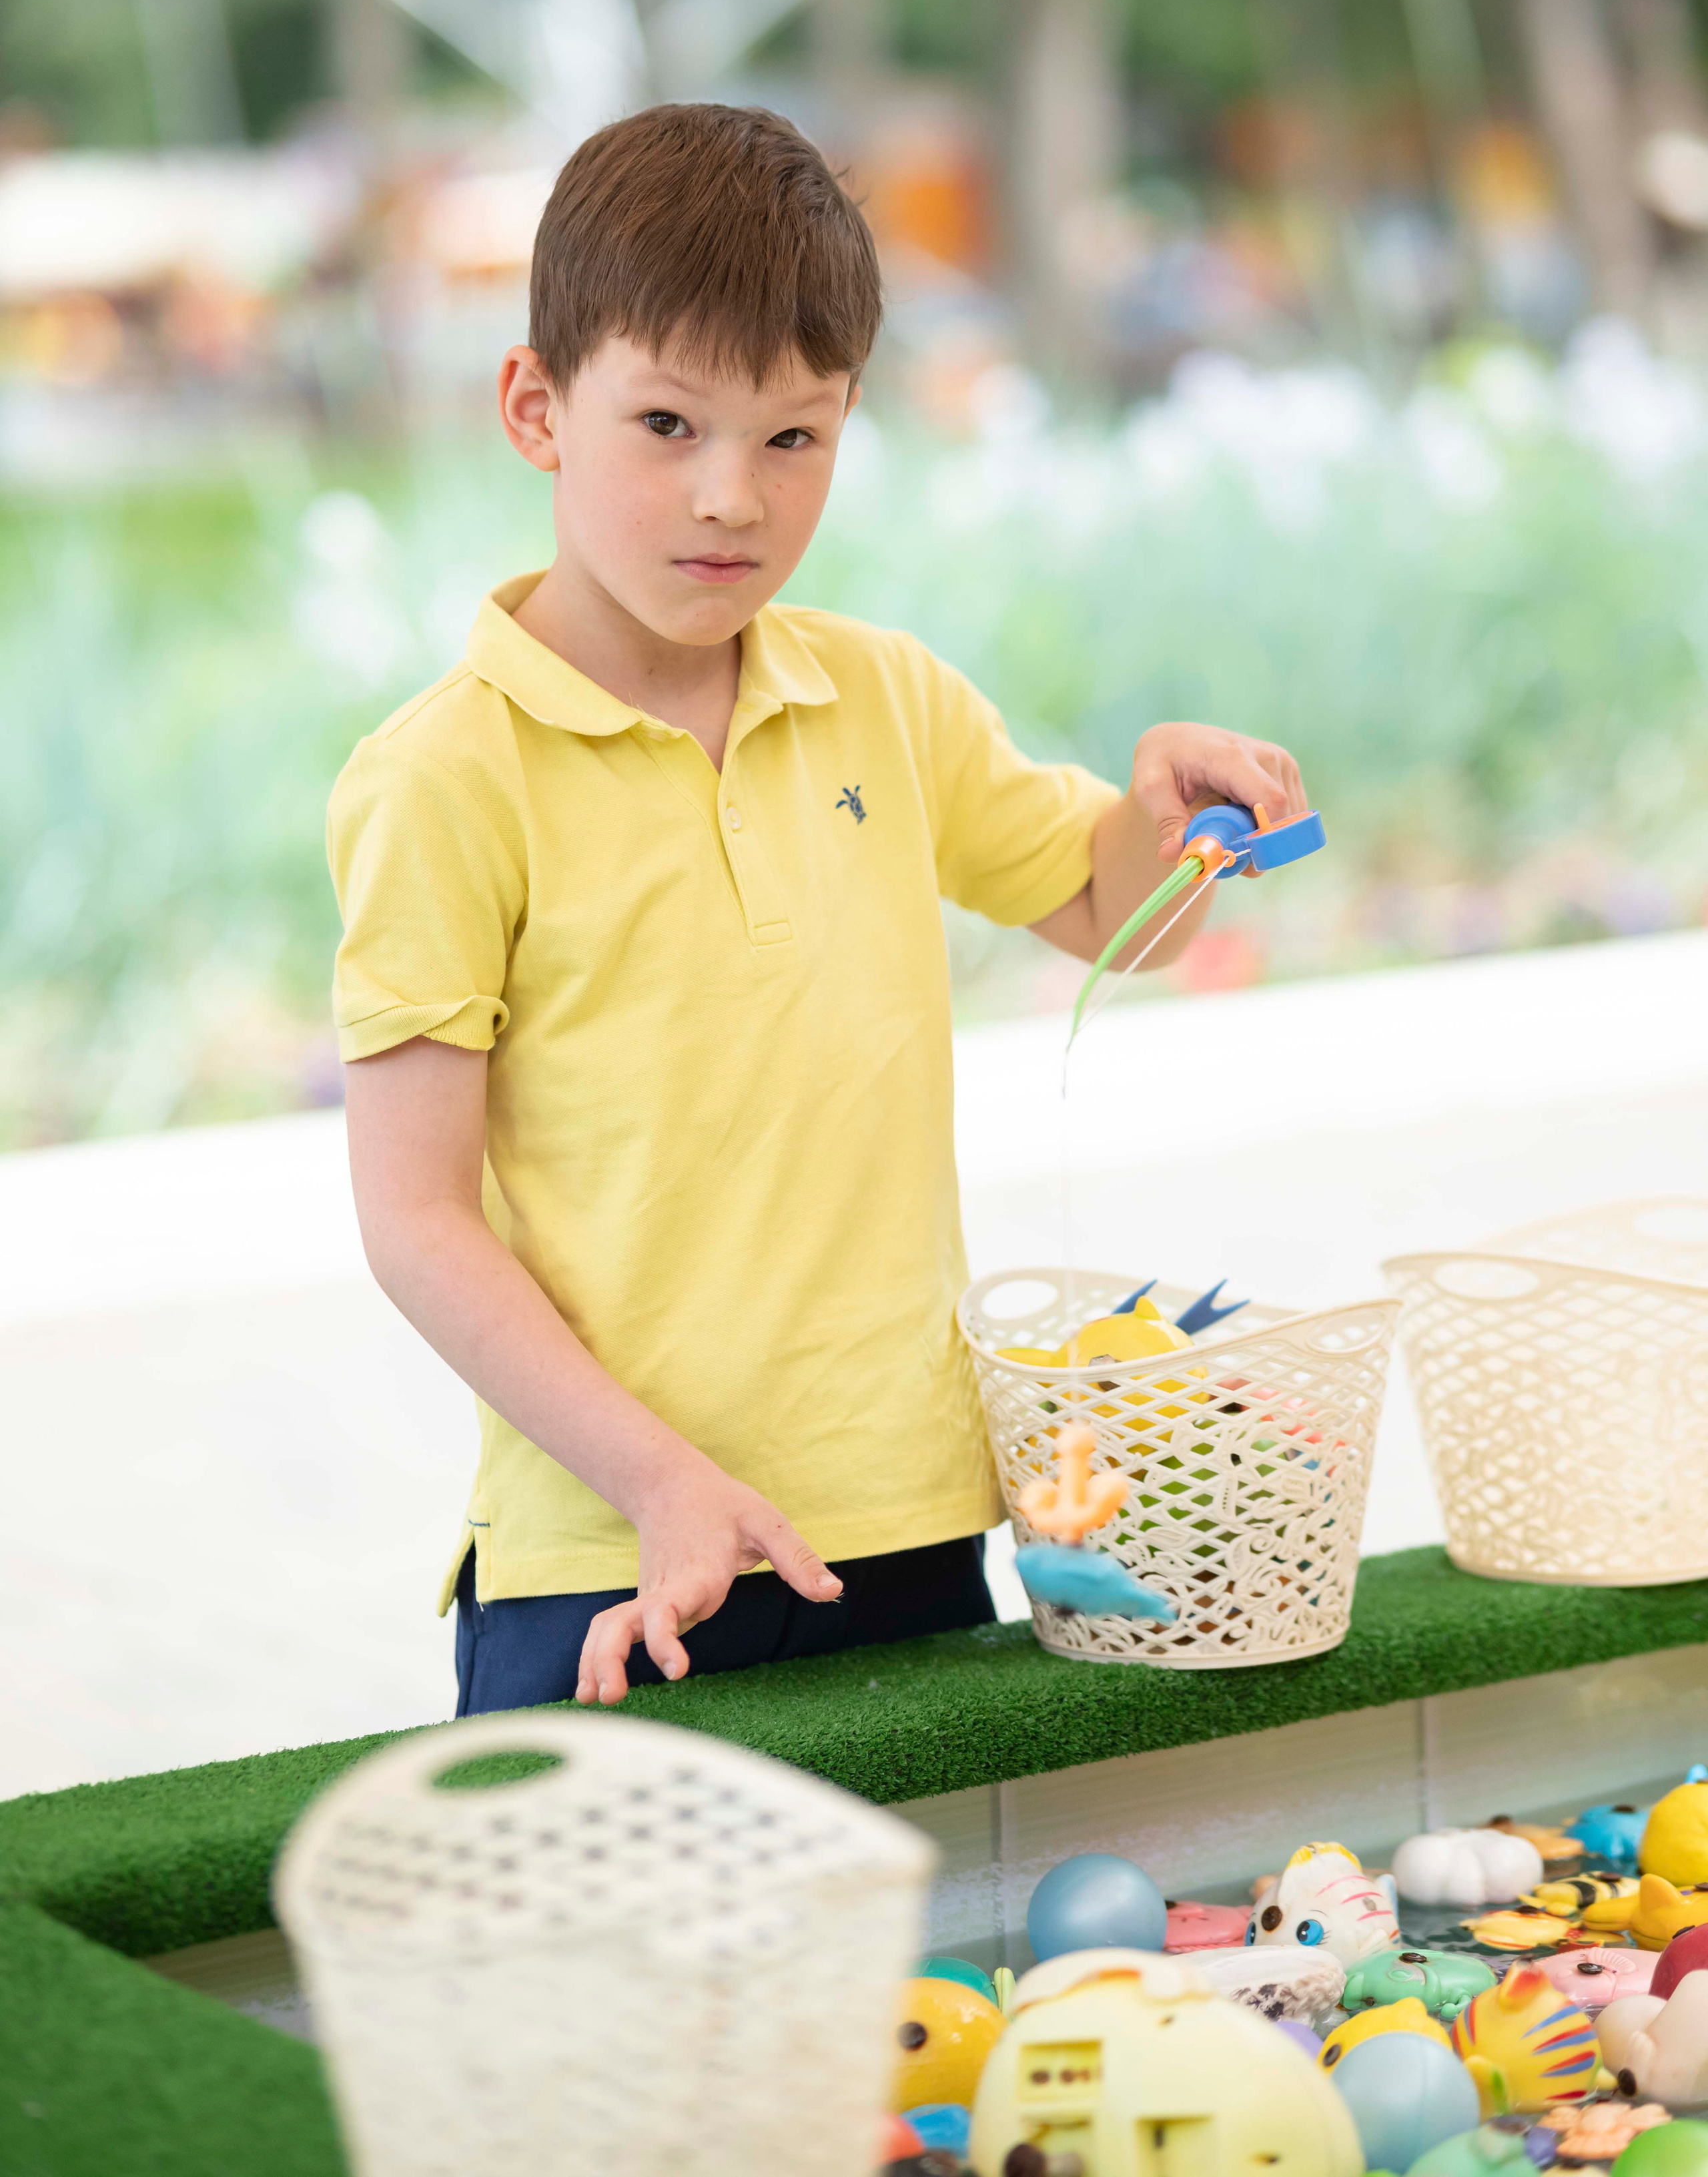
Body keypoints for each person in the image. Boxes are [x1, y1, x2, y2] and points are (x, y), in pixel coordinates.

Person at [328, 102, 1306, 1718]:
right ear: (534, 405)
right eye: (666, 426)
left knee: (932, 1981)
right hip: (609, 1563)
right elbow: (414, 1219)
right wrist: (657, 1485)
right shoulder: (442, 777)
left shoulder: (882, 697)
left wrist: (1165, 822)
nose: (731, 499)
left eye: (794, 439)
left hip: (910, 1532)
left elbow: (1103, 912)